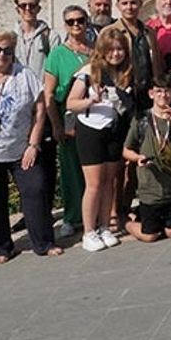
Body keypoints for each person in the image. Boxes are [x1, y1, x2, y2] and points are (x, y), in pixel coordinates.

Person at [0, 30, 60, 261]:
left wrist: (34, 144)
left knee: (35, 189)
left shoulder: (24, 75)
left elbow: (39, 109)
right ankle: (2, 247)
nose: (2, 55)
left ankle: (43, 242)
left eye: (7, 50)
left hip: (21, 149)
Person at [65, 29, 135, 252]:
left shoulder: (123, 73)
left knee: (109, 182)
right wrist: (91, 101)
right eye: (111, 49)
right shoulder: (89, 71)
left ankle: (104, 226)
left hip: (112, 130)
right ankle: (89, 231)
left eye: (120, 49)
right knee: (94, 184)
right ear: (102, 50)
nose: (116, 54)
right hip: (90, 130)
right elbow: (71, 103)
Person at [101, 0, 163, 222]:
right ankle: (115, 211)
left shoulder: (148, 33)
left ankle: (130, 205)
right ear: (118, 6)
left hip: (146, 100)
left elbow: (156, 65)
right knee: (120, 158)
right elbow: (102, 65)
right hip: (122, 102)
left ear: (140, 4)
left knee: (143, 154)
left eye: (133, 2)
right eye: (125, 3)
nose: (130, 7)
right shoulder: (110, 33)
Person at [122, 75, 171, 243]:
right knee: (150, 236)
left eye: (167, 91)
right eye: (158, 91)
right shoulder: (141, 119)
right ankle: (125, 222)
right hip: (150, 189)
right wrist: (137, 158)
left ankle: (162, 222)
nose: (163, 95)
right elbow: (126, 150)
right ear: (151, 94)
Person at [43, 5, 92, 239]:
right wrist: (56, 125)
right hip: (68, 119)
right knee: (71, 170)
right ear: (65, 25)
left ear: (87, 21)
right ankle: (72, 217)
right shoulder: (57, 55)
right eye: (71, 21)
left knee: (93, 169)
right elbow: (49, 94)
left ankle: (93, 216)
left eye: (80, 20)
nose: (76, 25)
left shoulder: (94, 51)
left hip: (94, 118)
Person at [12, 0, 57, 233]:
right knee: (20, 162)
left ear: (39, 7)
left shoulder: (49, 36)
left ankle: (46, 211)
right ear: (17, 9)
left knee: (47, 162)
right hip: (19, 110)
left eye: (32, 5)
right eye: (23, 6)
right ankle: (27, 212)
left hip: (44, 107)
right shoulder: (10, 37)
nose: (28, 9)